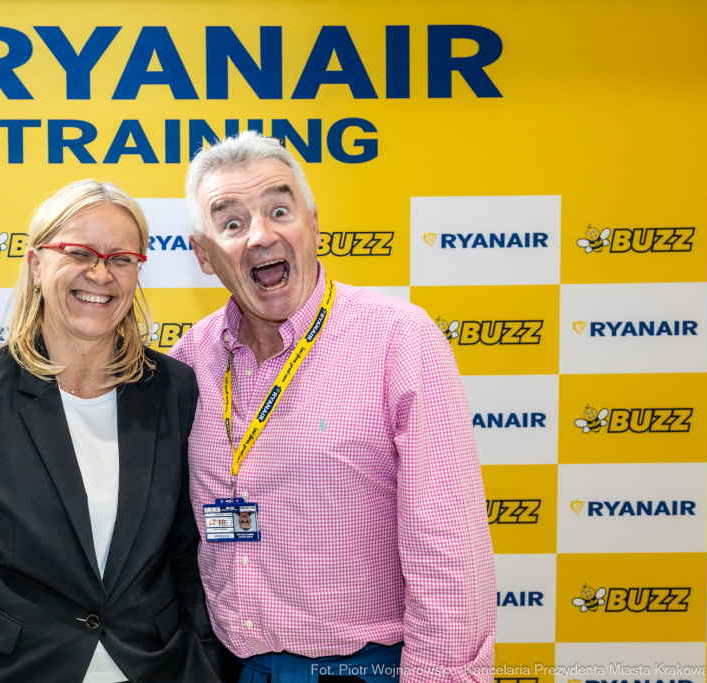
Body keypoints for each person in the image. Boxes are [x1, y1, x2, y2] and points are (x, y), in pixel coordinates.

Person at [170, 132, 496, 683]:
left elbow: (448, 548)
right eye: (232, 223)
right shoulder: (190, 358)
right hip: (227, 666)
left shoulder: (398, 339)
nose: (260, 236)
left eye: (279, 210)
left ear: (314, 225)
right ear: (204, 254)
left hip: (366, 669)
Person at [0, 180, 222, 683]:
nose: (101, 274)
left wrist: (209, 665)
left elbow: (188, 553)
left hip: (154, 667)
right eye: (80, 252)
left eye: (121, 259)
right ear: (36, 263)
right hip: (12, 670)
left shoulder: (174, 389)